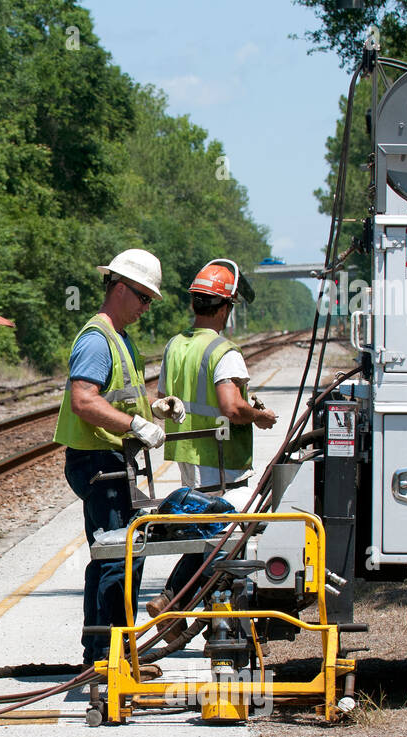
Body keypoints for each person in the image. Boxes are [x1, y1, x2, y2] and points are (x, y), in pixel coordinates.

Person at [53, 248, 185, 664]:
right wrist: (134, 427)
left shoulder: (119, 339)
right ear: (120, 288)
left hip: (110, 462)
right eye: (144, 297)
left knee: (115, 554)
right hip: (98, 463)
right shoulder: (96, 340)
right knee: (118, 557)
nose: (147, 307)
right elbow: (84, 401)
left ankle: (105, 652)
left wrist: (153, 410)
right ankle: (109, 658)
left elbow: (118, 398)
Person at [149, 258, 277, 623]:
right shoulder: (225, 351)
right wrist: (260, 416)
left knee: (207, 529)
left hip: (187, 454)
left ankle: (176, 608)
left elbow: (163, 398)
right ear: (225, 308)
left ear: (194, 304)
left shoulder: (175, 345)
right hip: (221, 458)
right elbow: (231, 408)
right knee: (223, 532)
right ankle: (182, 605)